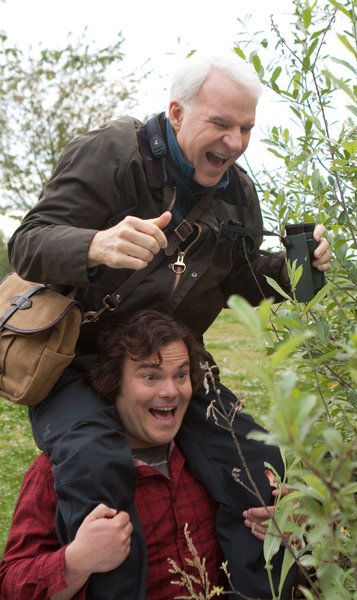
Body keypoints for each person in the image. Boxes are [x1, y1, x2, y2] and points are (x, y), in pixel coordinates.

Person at [7, 53, 329, 599]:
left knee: (256, 460)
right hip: (78, 361)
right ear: (177, 113)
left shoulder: (237, 193)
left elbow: (245, 281)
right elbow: (28, 243)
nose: (235, 142)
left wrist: (299, 271)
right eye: (221, 124)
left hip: (172, 363)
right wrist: (95, 244)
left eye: (246, 128)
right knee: (96, 463)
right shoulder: (111, 152)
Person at [0, 310, 287, 599]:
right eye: (151, 376)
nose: (171, 391)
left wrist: (297, 530)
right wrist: (75, 562)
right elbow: (11, 585)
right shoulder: (65, 470)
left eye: (181, 375)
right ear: (113, 383)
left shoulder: (217, 461)